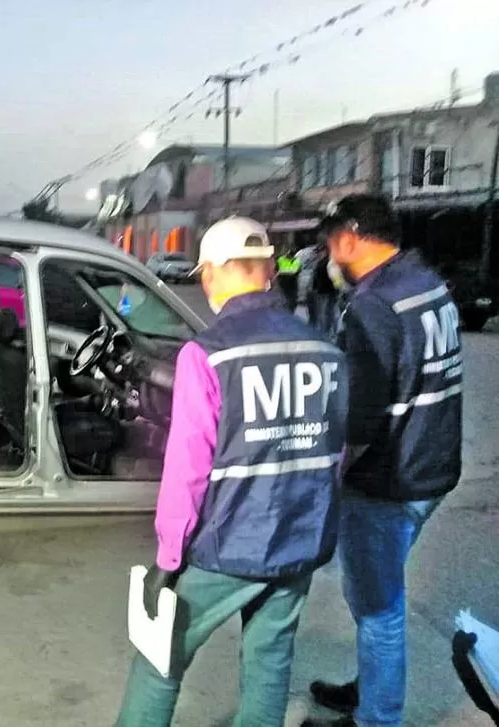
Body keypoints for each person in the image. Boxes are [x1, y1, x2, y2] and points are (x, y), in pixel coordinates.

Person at [114, 216, 349, 727]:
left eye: (205, 274)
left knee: (159, 659)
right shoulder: (325, 349)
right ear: (267, 272)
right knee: (269, 662)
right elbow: (335, 452)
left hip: (230, 546)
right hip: (302, 542)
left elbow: (188, 470)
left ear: (214, 274)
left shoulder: (208, 354)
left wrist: (169, 557)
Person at [302, 195, 463, 727]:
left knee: (377, 608)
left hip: (389, 482)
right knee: (380, 596)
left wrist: (330, 477)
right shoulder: (426, 284)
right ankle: (372, 689)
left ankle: (377, 718)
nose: (326, 250)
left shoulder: (373, 305)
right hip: (431, 470)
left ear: (349, 235)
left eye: (329, 238)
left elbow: (361, 421)